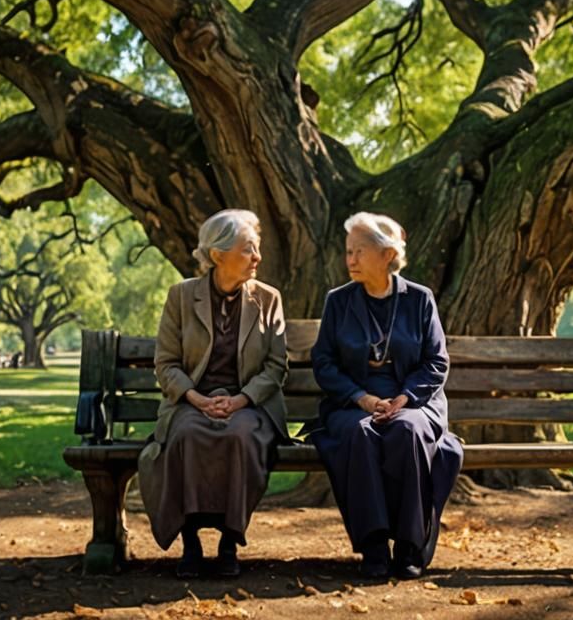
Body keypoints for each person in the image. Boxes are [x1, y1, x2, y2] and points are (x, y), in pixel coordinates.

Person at [307, 212, 463, 580]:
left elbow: (436, 361)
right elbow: (324, 362)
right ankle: (374, 546)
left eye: (359, 251)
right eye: (348, 251)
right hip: (353, 403)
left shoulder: (419, 299)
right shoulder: (338, 301)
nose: (351, 260)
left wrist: (405, 398)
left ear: (388, 254)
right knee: (360, 433)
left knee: (408, 431)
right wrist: (361, 398)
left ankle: (409, 546)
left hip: (413, 402)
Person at [137, 209, 288, 579]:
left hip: (248, 404)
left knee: (240, 436)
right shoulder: (181, 297)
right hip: (192, 402)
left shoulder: (268, 299)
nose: (258, 257)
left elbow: (275, 366)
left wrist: (240, 400)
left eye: (257, 248)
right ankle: (190, 543)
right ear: (218, 255)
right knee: (187, 435)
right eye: (248, 249)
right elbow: (166, 363)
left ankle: (228, 543)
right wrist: (196, 398)